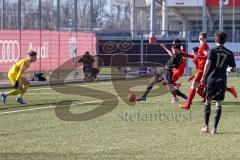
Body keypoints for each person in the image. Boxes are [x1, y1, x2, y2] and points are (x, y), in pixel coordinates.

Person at [200, 31, 236, 134]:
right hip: (222, 80)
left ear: (215, 39)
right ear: (225, 40)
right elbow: (233, 69)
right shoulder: (229, 53)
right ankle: (214, 129)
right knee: (218, 104)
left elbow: (207, 64)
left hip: (211, 79)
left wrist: (203, 76)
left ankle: (206, 127)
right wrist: (227, 69)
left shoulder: (212, 50)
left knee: (208, 102)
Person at [181, 32, 209, 110]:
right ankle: (188, 104)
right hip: (200, 69)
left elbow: (207, 56)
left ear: (204, 38)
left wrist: (199, 56)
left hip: (201, 70)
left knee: (194, 86)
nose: (200, 38)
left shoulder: (204, 45)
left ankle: (188, 104)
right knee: (196, 87)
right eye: (199, 36)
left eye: (201, 37)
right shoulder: (202, 45)